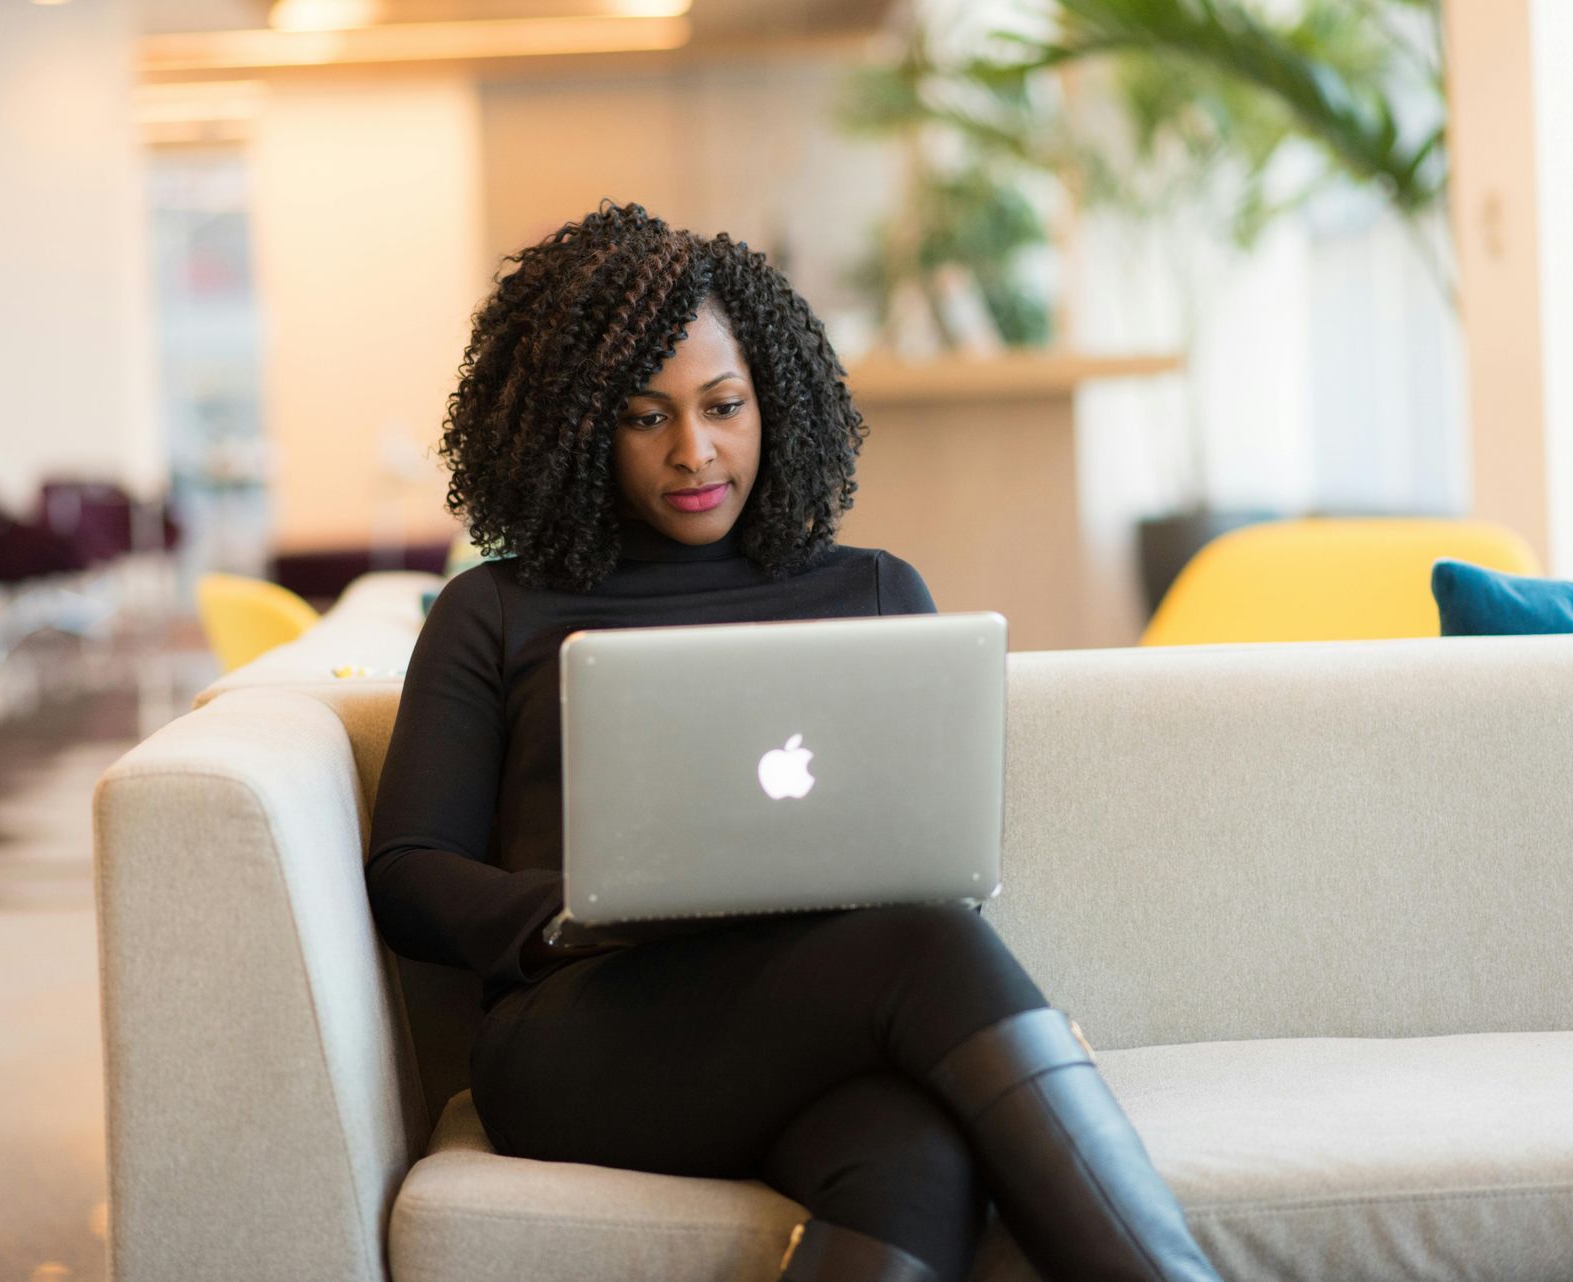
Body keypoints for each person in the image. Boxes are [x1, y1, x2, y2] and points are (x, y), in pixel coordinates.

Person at [365, 202, 1224, 1282]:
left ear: (774, 399)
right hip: (584, 1036)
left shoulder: (874, 590)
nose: (695, 450)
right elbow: (407, 872)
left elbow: (934, 843)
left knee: (915, 1153)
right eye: (645, 416)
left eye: (724, 405)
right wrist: (570, 914)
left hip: (826, 1018)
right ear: (578, 427)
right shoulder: (495, 608)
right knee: (927, 949)